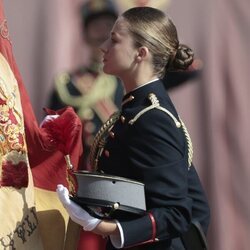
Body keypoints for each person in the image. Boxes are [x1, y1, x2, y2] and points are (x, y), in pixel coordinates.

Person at [57, 6, 210, 250]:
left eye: (114, 39)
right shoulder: (136, 109)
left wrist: (102, 226)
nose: (103, 46)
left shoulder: (152, 117)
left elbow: (177, 213)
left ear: (140, 53)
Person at [48, 0, 124, 170]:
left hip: (120, 170)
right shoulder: (68, 84)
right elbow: (52, 135)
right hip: (81, 171)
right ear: (85, 35)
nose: (102, 33)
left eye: (108, 26)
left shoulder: (125, 78)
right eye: (96, 27)